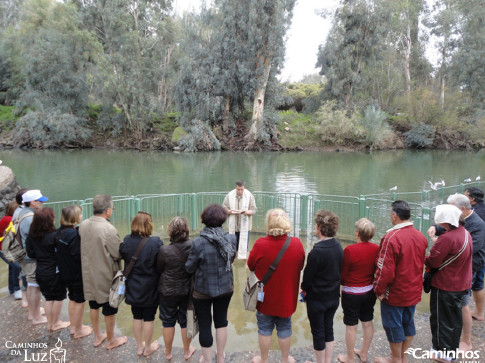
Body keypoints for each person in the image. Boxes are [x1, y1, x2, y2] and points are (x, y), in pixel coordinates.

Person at [427, 193, 485, 350]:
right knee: (455, 311)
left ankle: (466, 341)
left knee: (461, 307)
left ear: (462, 209)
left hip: (462, 272)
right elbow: (450, 228)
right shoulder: (462, 228)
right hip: (460, 273)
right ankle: (452, 345)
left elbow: (435, 260)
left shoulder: (477, 225)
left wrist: (440, 244)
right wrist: (435, 228)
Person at [373, 200, 428, 363]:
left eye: (390, 213)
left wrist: (378, 289)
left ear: (395, 216)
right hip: (414, 289)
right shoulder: (420, 236)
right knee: (408, 323)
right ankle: (403, 356)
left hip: (396, 292)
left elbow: (385, 270)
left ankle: (395, 358)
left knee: (393, 325)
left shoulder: (391, 238)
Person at [247, 209, 305, 363]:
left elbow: (250, 265)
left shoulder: (260, 244)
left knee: (264, 329)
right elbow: (300, 266)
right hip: (286, 298)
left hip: (265, 298)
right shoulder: (297, 244)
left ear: (268, 224)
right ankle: (285, 359)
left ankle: (264, 360)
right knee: (285, 329)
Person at [185, 204, 237, 363]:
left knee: (205, 324)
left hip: (202, 291)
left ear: (204, 220)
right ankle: (220, 356)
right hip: (225, 288)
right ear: (222, 219)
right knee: (221, 322)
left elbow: (189, 267)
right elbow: (231, 259)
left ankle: (207, 359)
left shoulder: (198, 242)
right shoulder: (231, 239)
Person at [425, 204, 473, 362]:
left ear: (445, 222)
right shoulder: (465, 233)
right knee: (454, 319)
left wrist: (421, 255)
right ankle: (451, 350)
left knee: (440, 319)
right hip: (460, 284)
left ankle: (441, 353)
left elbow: (433, 262)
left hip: (445, 285)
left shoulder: (446, 238)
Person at [79, 194, 127, 350]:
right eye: (112, 209)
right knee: (109, 307)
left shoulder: (83, 224)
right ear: (107, 211)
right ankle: (111, 340)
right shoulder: (108, 228)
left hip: (88, 272)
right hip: (105, 273)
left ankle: (97, 336)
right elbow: (117, 253)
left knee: (93, 304)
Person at [301, 210, 344, 363]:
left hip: (317, 300)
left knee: (318, 332)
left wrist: (303, 289)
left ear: (319, 227)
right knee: (328, 329)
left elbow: (307, 278)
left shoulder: (316, 252)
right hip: (333, 298)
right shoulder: (338, 247)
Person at [120, 211, 162, 356]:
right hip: (150, 285)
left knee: (136, 316)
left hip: (132, 284)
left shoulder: (127, 240)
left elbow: (122, 254)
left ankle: (139, 347)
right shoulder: (155, 242)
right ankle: (148, 347)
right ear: (149, 225)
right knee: (149, 318)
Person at [337, 218, 379, 363]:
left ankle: (349, 358)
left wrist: (341, 283)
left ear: (356, 233)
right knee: (367, 322)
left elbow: (343, 273)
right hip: (369, 291)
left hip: (351, 293)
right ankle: (364, 353)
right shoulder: (375, 248)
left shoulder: (349, 250)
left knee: (351, 326)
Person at [157, 216, 196, 361]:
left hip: (167, 291)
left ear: (170, 231)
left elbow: (159, 269)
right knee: (185, 321)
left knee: (167, 321)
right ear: (186, 230)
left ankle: (168, 352)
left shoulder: (164, 250)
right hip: (186, 291)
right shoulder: (193, 246)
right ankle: (186, 352)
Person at [25, 208, 70, 332]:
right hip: (54, 272)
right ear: (49, 220)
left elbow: (31, 253)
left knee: (48, 298)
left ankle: (51, 324)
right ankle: (56, 323)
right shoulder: (54, 236)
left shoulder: (31, 237)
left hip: (41, 271)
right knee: (59, 298)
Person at [55, 205, 92, 339]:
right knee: (80, 301)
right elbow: (78, 254)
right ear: (74, 217)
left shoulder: (60, 231)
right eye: (80, 215)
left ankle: (73, 327)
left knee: (72, 299)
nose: (81, 216)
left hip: (65, 271)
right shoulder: (73, 235)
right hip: (76, 273)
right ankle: (78, 330)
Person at [18, 189, 49, 325]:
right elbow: (37, 238)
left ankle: (32, 313)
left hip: (23, 256)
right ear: (32, 203)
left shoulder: (19, 212)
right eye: (39, 201)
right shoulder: (30, 218)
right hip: (30, 258)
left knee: (30, 284)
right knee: (35, 286)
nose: (42, 204)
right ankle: (37, 317)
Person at [465, 187, 485, 321]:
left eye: (465, 196)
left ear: (472, 199)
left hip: (478, 254)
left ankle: (472, 313)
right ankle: (479, 311)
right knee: (478, 283)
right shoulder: (482, 208)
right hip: (482, 251)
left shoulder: (476, 213)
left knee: (474, 284)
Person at [222, 180, 257, 259]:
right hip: (233, 226)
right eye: (238, 189)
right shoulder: (229, 195)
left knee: (245, 246)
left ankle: (245, 264)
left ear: (244, 188)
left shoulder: (249, 195)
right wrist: (230, 211)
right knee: (233, 246)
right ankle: (234, 262)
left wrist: (246, 212)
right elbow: (223, 209)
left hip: (245, 226)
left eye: (242, 189)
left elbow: (254, 209)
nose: (240, 191)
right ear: (236, 187)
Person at [0, 200, 22, 299]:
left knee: (12, 267)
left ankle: (12, 290)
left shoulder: (7, 218)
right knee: (17, 267)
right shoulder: (8, 220)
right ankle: (17, 290)